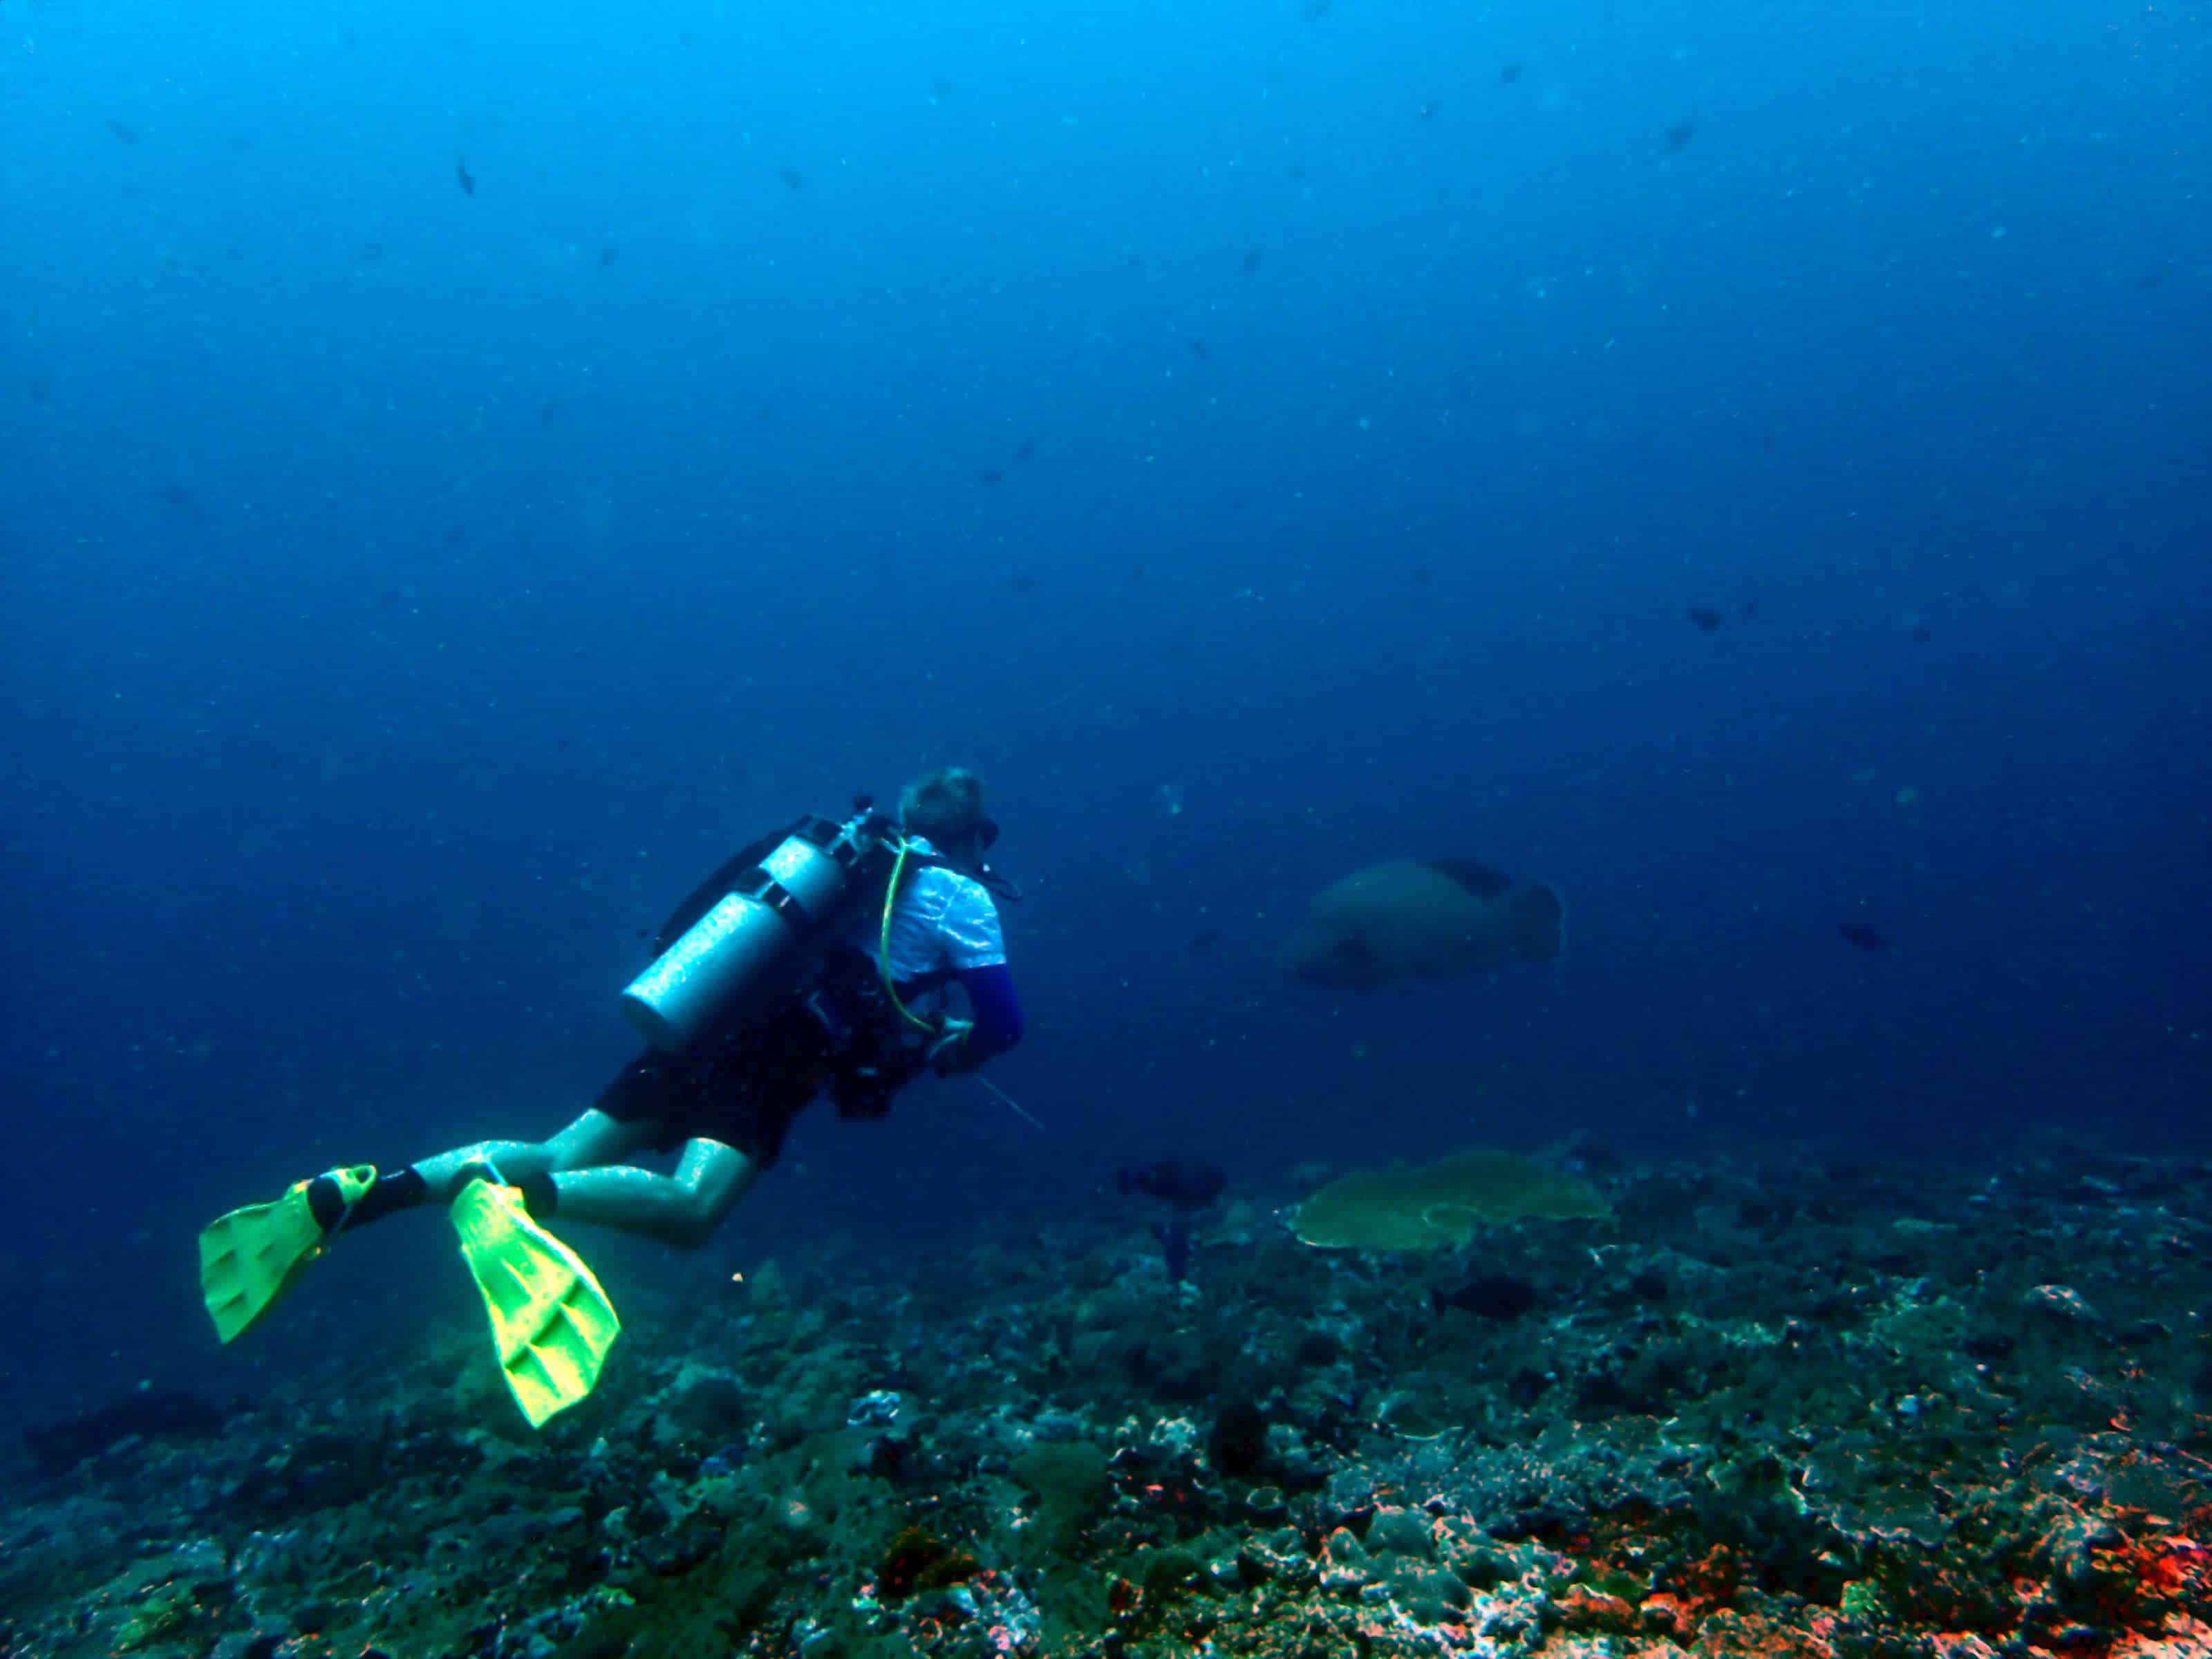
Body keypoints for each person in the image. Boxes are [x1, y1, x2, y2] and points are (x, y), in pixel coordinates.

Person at [197, 767, 1024, 1421]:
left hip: (702, 1014)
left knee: (561, 1145)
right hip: (779, 1052)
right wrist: (958, 1053)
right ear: (974, 834)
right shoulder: (961, 896)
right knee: (692, 1207)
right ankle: (513, 1200)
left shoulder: (836, 861)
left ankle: (360, 1195)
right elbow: (1003, 1023)